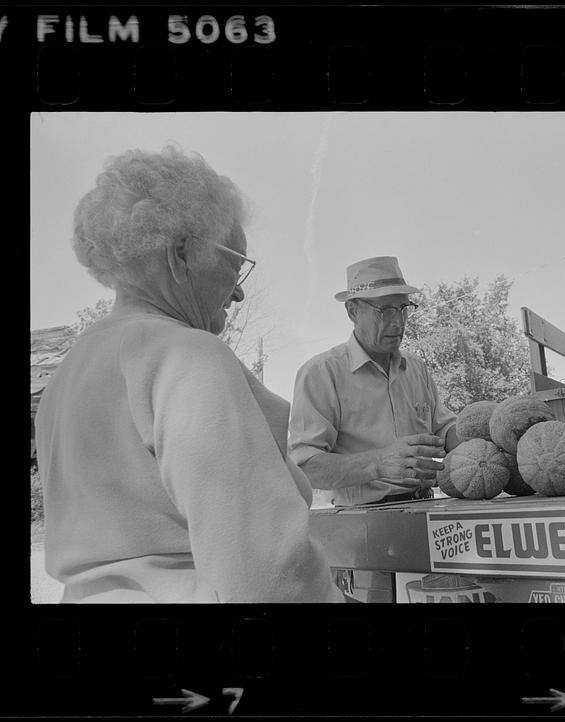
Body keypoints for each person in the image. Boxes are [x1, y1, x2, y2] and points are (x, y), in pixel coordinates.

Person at [34, 146, 342, 603]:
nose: (238, 293)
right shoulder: (188, 355)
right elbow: (265, 570)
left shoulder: (67, 377)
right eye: (235, 266)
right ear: (182, 253)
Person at [288, 256, 459, 507]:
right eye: (385, 310)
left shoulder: (416, 369)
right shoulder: (322, 373)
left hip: (426, 508)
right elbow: (305, 467)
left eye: (403, 308)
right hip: (361, 521)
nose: (398, 322)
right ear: (352, 311)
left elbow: (443, 431)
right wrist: (379, 464)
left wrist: (484, 429)